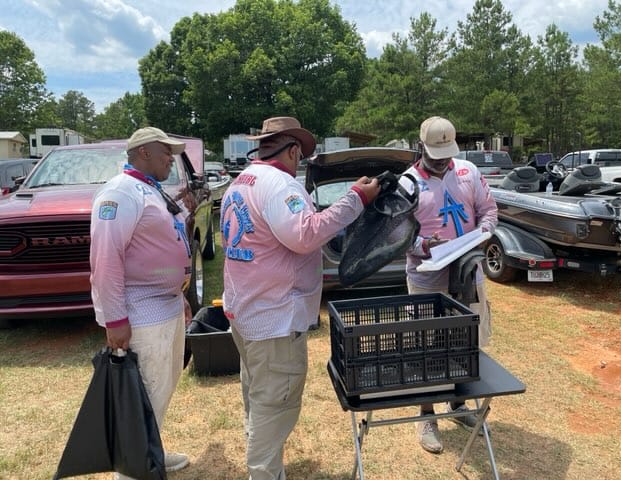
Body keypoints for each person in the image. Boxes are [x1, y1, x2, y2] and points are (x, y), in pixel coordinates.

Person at [220, 116, 380, 480]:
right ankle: (263, 472)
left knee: (258, 394)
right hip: (275, 317)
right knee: (275, 404)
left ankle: (262, 457)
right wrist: (355, 199)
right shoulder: (280, 185)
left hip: (247, 312)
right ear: (292, 149)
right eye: (300, 156)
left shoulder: (241, 181)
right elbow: (305, 234)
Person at [89, 126, 192, 477]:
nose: (171, 158)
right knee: (142, 396)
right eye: (166, 151)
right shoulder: (120, 193)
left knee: (161, 390)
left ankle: (151, 453)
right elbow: (106, 258)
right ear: (144, 152)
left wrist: (180, 296)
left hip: (167, 306)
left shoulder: (149, 189)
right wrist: (114, 318)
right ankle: (132, 470)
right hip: (142, 314)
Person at [402, 116, 498, 454]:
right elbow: (400, 237)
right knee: (426, 348)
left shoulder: (468, 172)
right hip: (427, 277)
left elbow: (488, 211)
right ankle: (426, 415)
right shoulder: (408, 183)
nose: (442, 159)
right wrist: (425, 246)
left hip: (466, 273)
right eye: (434, 153)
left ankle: (456, 405)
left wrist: (482, 235)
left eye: (446, 152)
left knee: (463, 343)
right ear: (420, 146)